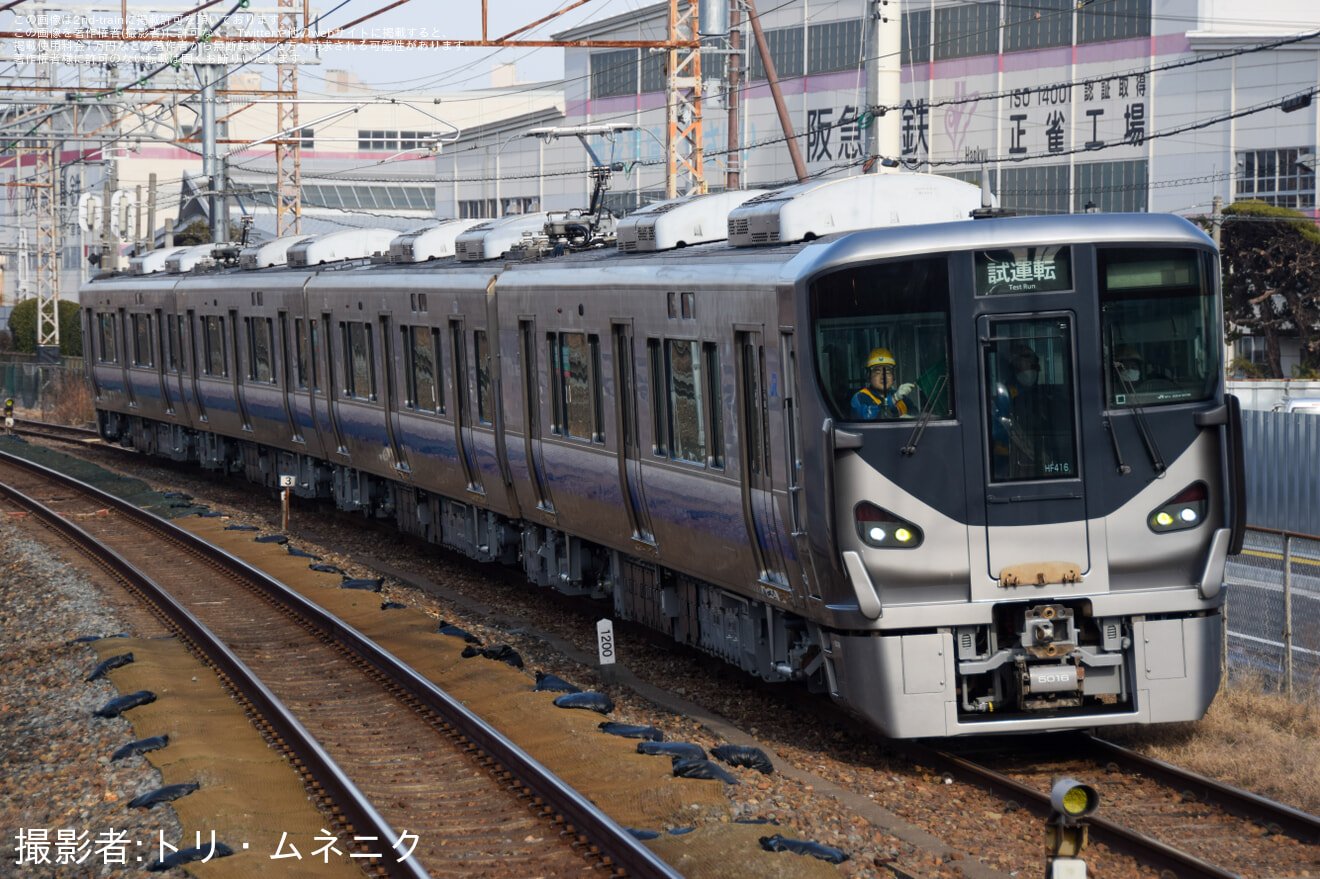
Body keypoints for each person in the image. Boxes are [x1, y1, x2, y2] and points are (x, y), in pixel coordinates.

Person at [851, 347, 915, 420]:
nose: (883, 377)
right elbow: (867, 417)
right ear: (869, 377)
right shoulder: (860, 398)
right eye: (877, 372)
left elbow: (918, 416)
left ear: (893, 377)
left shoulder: (902, 399)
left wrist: (911, 419)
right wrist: (894, 399)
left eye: (888, 372)